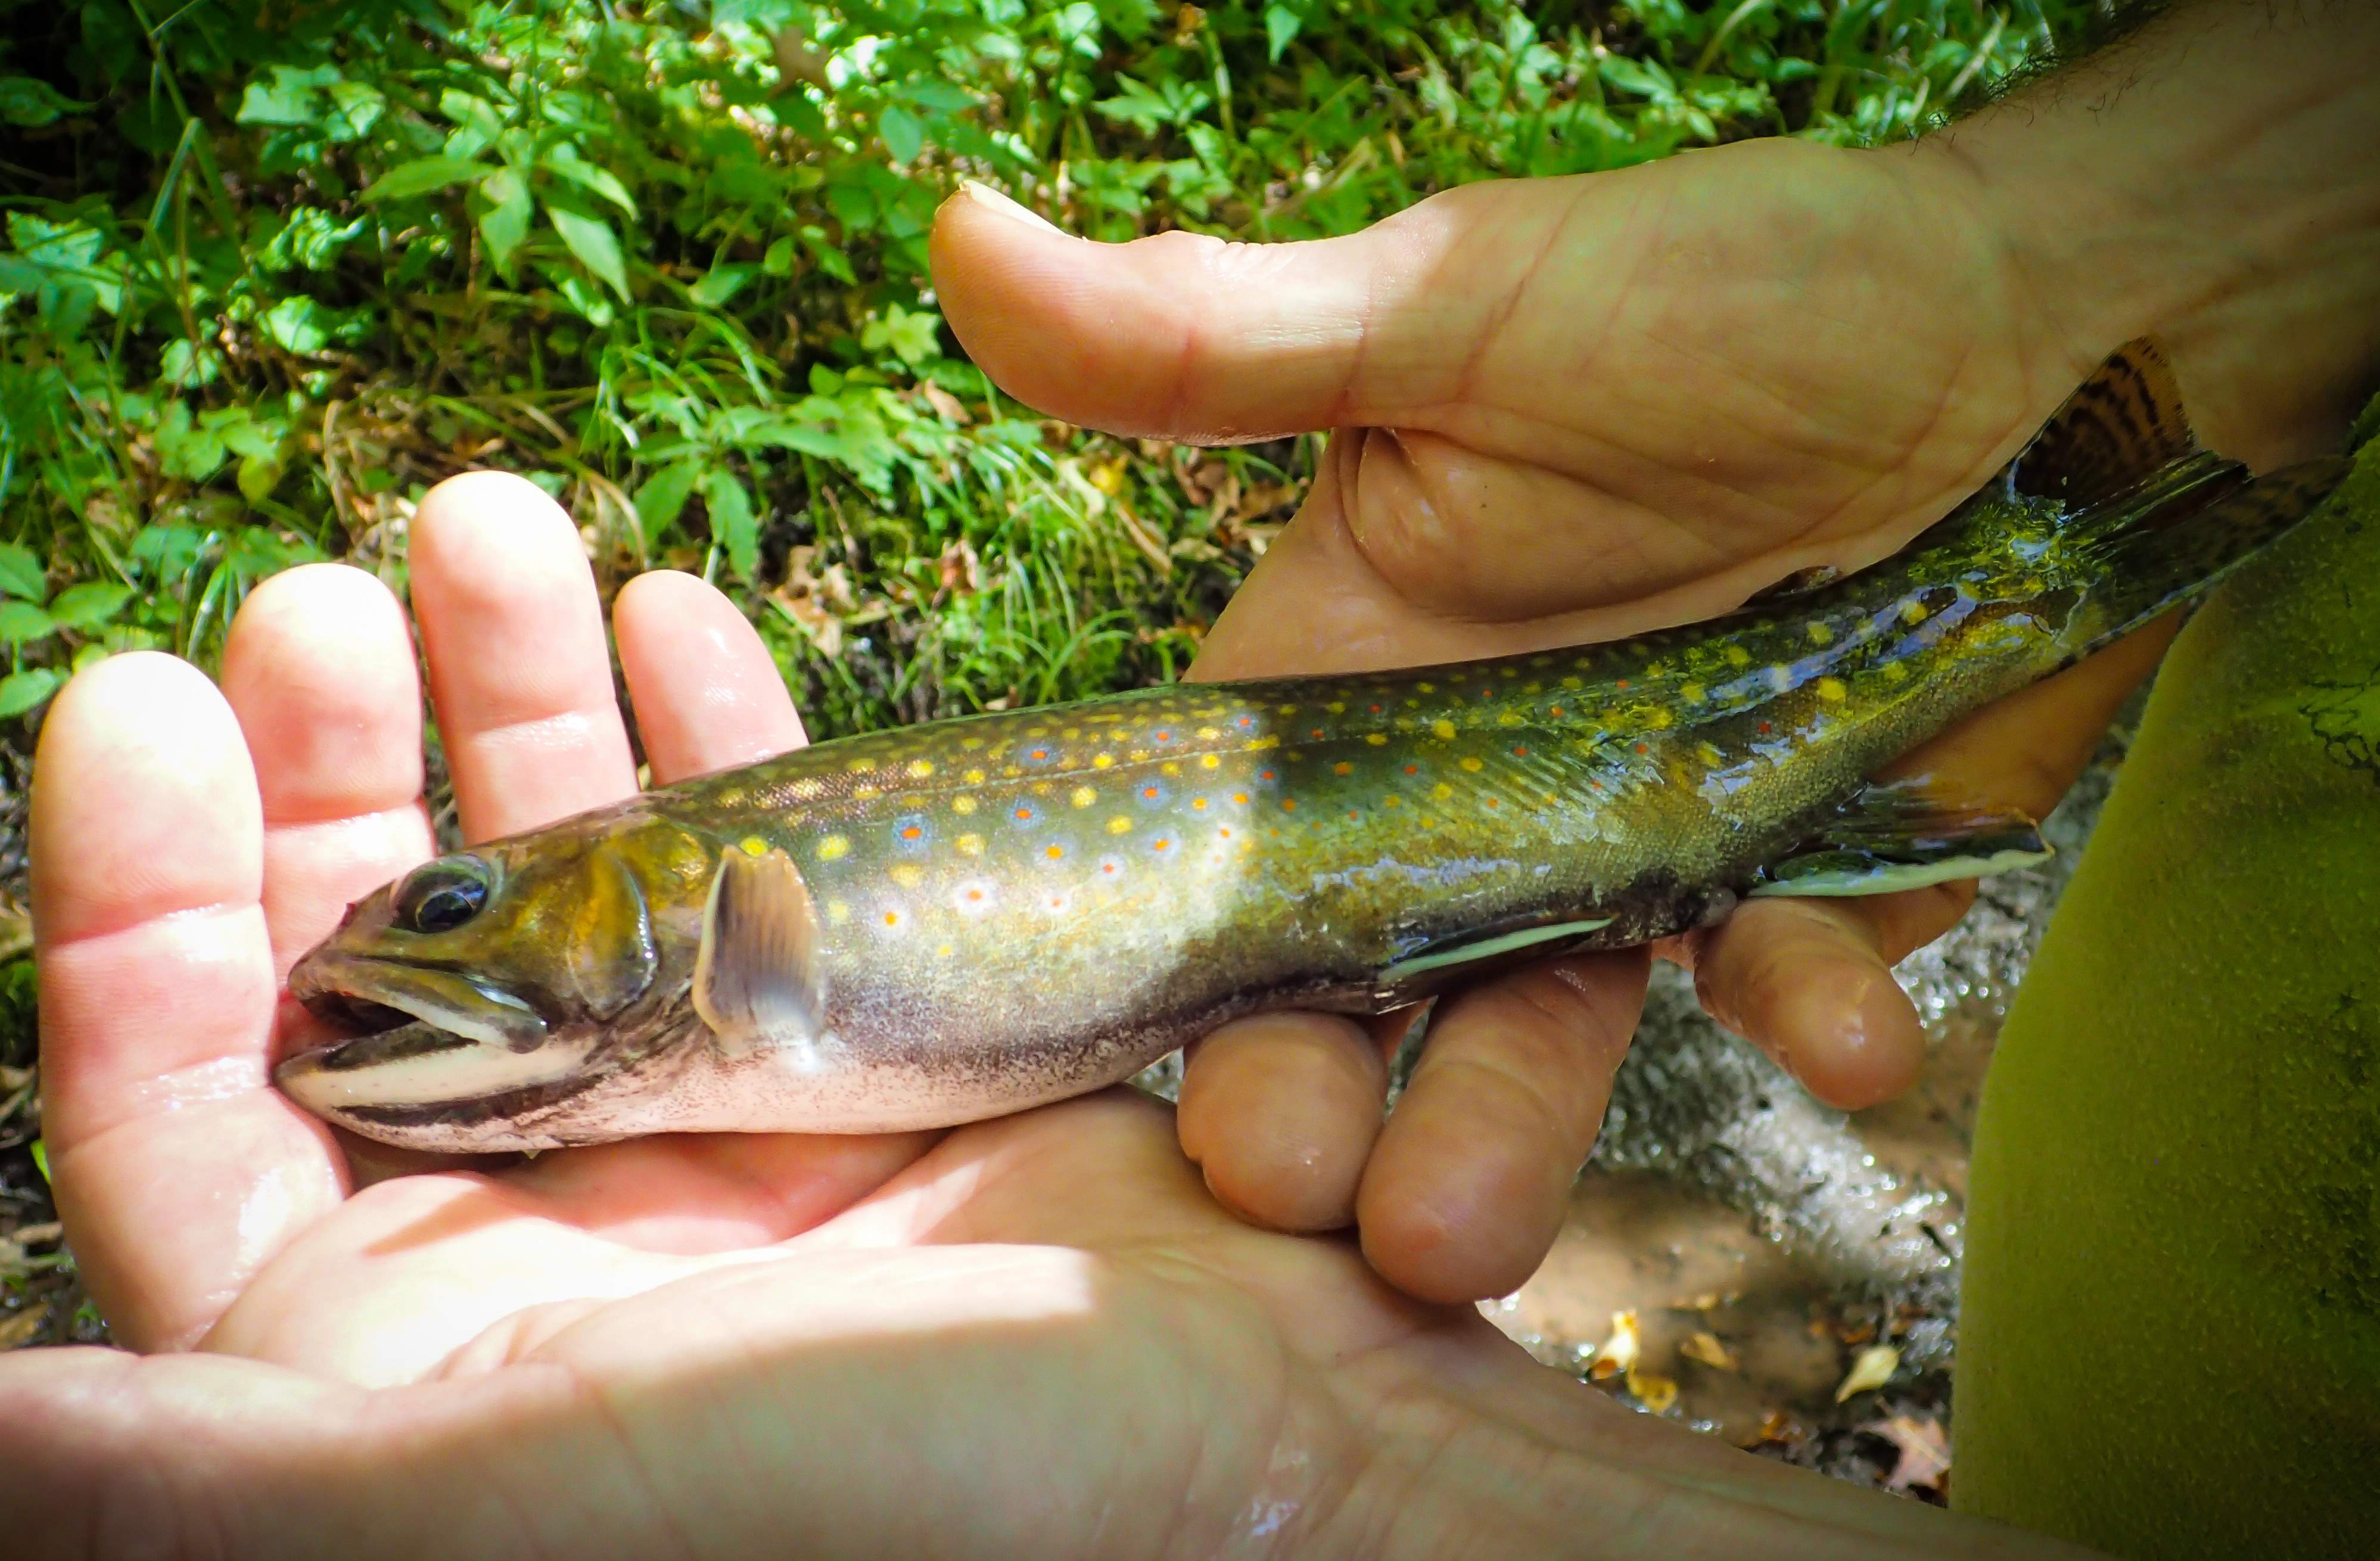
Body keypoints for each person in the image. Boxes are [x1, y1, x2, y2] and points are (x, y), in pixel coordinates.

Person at [7, 1, 2372, 1554]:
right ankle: (2124, 524)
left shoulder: (743, 897)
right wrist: (2216, 239)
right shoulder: (708, 963)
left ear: (682, 891)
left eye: (443, 912)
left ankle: (2090, 537)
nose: (398, 955)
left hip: (1699, 746)